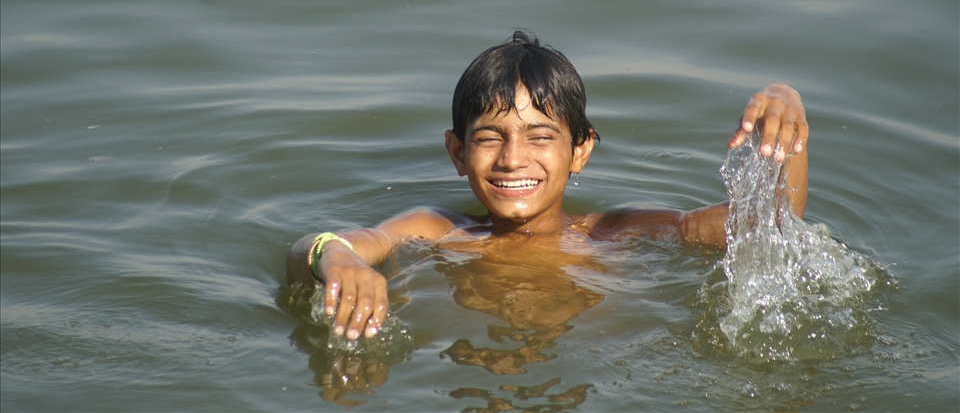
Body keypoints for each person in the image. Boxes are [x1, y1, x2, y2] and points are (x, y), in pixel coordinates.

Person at [287, 31, 809, 344]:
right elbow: (320, 245)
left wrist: (786, 109)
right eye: (489, 138)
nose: (513, 158)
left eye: (540, 137)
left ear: (581, 150)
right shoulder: (439, 230)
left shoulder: (617, 233)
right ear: (457, 152)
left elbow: (769, 220)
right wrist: (340, 260)